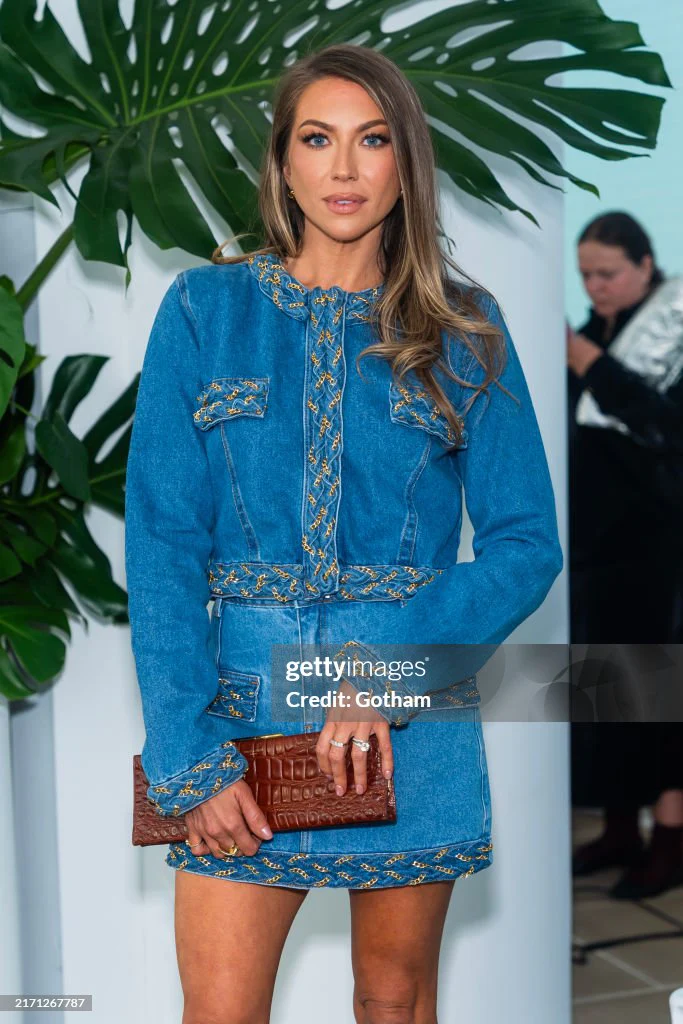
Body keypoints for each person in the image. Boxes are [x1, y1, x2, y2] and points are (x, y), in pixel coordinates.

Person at [125, 43, 563, 1023]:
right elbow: (159, 548)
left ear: (403, 163)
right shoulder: (205, 311)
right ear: (281, 161)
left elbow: (525, 545)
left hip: (406, 721)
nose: (344, 168)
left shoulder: (465, 331)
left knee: (393, 1003)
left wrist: (386, 665)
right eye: (317, 140)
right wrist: (188, 759)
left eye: (372, 142)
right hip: (237, 728)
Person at [567, 211, 683, 900]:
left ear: (645, 265)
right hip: (597, 552)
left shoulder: (671, 330)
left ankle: (670, 839)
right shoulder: (592, 327)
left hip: (662, 552)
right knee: (601, 696)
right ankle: (617, 831)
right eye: (585, 274)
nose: (596, 286)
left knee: (662, 698)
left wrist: (588, 364)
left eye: (607, 273)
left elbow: (668, 429)